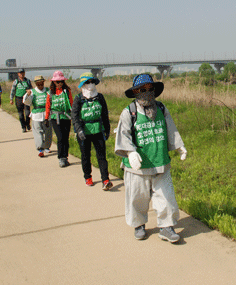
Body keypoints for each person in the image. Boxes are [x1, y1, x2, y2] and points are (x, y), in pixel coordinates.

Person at [114, 74, 187, 243]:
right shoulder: (129, 113)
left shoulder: (161, 109)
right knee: (137, 197)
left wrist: (179, 146)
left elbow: (171, 129)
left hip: (160, 160)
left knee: (166, 196)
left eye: (149, 89)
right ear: (136, 92)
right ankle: (139, 224)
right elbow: (123, 134)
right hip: (137, 166)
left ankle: (166, 226)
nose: (146, 92)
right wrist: (130, 152)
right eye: (142, 90)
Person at [71, 72, 113, 190]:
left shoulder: (100, 97)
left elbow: (105, 114)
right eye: (88, 82)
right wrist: (79, 130)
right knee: (85, 155)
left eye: (92, 82)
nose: (91, 84)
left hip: (98, 130)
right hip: (84, 132)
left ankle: (105, 179)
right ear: (83, 84)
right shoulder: (79, 99)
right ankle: (87, 176)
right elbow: (74, 116)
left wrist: (107, 128)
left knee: (101, 156)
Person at [45, 70, 73, 168]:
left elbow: (71, 103)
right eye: (57, 81)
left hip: (66, 116)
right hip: (54, 118)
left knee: (66, 138)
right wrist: (46, 118)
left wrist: (74, 115)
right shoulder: (50, 93)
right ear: (53, 82)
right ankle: (61, 157)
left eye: (61, 81)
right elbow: (48, 105)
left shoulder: (67, 91)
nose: (59, 83)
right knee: (60, 137)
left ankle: (65, 157)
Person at [23, 75, 53, 157]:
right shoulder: (32, 92)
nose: (40, 86)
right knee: (38, 132)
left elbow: (52, 100)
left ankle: (47, 147)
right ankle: (40, 148)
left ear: (43, 83)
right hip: (36, 115)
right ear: (36, 84)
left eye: (41, 84)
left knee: (48, 132)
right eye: (38, 84)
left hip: (47, 115)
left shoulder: (47, 90)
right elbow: (27, 102)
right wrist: (27, 95)